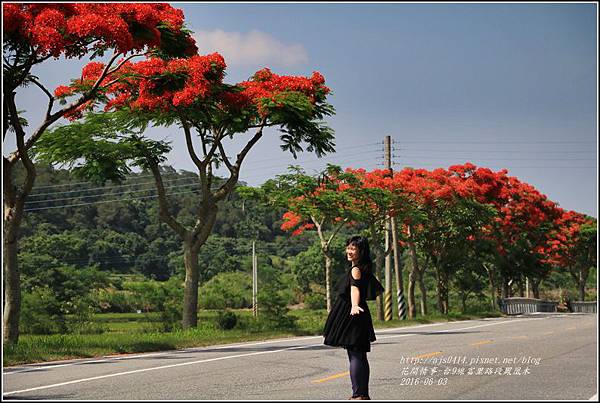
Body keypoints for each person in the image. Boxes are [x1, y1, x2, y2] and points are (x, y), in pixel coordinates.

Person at [323, 235, 384, 400]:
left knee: (355, 355)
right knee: (359, 355)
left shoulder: (356, 270)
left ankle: (359, 394)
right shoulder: (362, 269)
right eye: (348, 247)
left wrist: (355, 305)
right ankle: (362, 394)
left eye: (353, 248)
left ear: (361, 251)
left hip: (352, 314)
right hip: (356, 313)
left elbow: (354, 289)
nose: (349, 251)